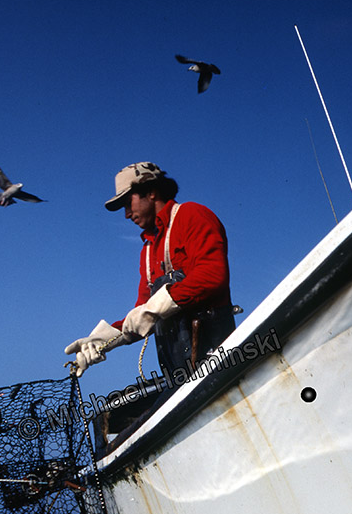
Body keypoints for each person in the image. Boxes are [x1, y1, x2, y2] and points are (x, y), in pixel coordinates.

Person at [65, 162, 235, 378]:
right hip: (178, 371)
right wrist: (104, 340)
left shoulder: (191, 215)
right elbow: (142, 312)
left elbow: (212, 275)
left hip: (218, 357)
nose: (127, 214)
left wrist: (155, 308)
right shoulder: (147, 250)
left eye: (129, 203)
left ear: (151, 192)